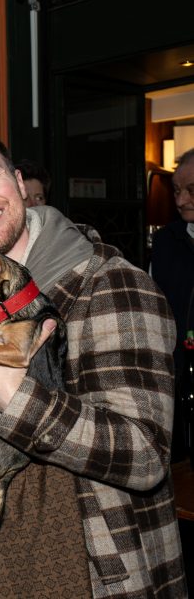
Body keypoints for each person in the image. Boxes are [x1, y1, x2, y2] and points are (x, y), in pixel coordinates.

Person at [0, 124, 186, 598]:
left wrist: (17, 397)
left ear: (20, 185)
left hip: (94, 570)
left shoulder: (111, 284)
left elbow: (145, 457)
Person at [151, 146, 194, 462]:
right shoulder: (166, 241)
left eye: (191, 190)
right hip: (177, 373)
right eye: (177, 191)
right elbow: (154, 304)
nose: (181, 201)